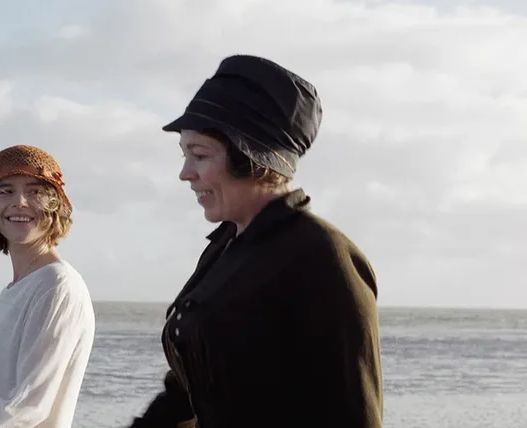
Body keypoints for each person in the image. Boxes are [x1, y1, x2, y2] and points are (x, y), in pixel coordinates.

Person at [124, 55, 383, 428]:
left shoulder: (322, 256)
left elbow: (354, 415)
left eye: (199, 155)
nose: (185, 173)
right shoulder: (225, 247)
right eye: (185, 155)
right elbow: (189, 390)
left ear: (251, 157)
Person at [0, 144, 96, 428]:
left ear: (54, 204)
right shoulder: (18, 289)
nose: (19, 202)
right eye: (6, 191)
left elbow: (29, 406)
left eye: (34, 192)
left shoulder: (57, 286)